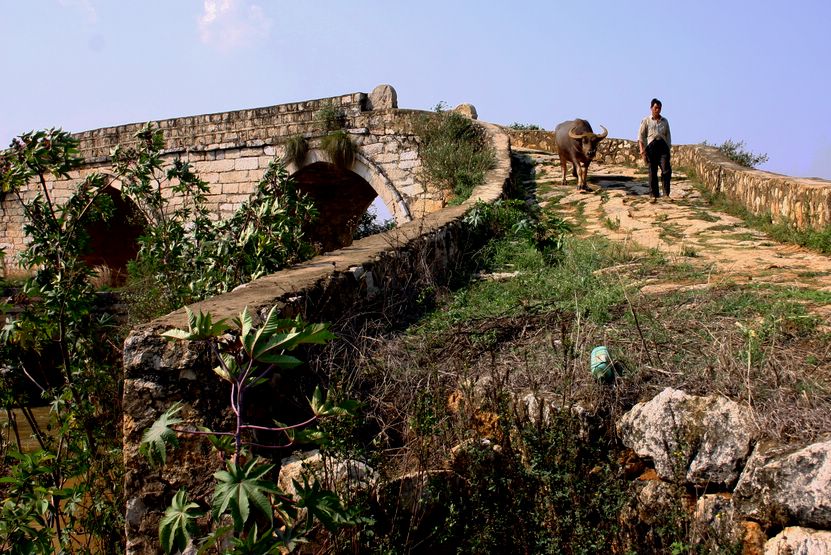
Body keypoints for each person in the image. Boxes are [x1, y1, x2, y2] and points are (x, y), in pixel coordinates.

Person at [638, 98, 672, 202]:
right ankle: (653, 195)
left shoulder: (665, 121)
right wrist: (642, 150)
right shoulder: (646, 120)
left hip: (663, 146)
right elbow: (641, 136)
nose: (658, 110)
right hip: (651, 146)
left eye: (659, 108)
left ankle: (666, 194)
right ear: (651, 108)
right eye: (656, 108)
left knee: (666, 170)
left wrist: (668, 148)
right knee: (652, 171)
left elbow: (668, 135)